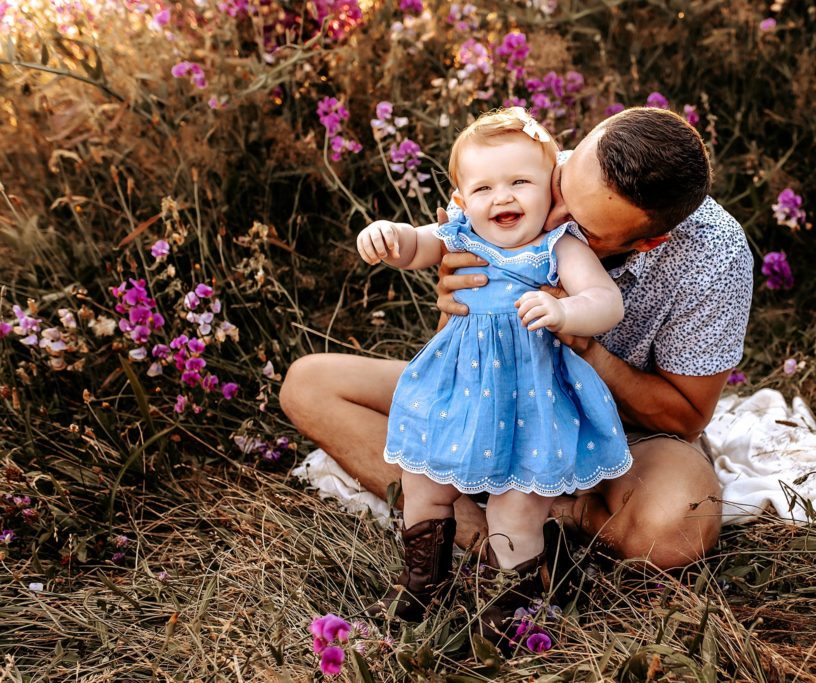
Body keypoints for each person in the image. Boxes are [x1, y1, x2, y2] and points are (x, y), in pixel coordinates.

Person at [281, 106, 752, 575]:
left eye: (583, 226)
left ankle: (548, 514)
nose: (552, 218)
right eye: (561, 186)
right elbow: (456, 344)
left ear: (648, 241)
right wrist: (454, 294)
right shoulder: (516, 175)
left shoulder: (716, 256)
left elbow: (686, 418)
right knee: (309, 385)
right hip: (491, 395)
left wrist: (586, 346)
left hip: (620, 432)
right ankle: (502, 542)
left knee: (675, 529)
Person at [355, 108, 633, 638]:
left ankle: (516, 606)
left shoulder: (559, 245)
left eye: (520, 182)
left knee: (517, 508)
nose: (501, 197)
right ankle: (423, 584)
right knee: (423, 484)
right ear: (461, 199)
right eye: (483, 187)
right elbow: (416, 245)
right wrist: (387, 235)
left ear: (551, 192)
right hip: (455, 390)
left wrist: (566, 312)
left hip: (529, 398)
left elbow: (607, 301)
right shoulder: (460, 234)